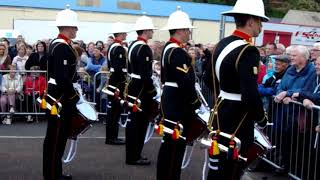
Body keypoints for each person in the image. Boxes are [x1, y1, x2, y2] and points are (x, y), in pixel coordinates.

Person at [203, 0, 269, 179]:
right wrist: (262, 119)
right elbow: (250, 93)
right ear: (251, 21)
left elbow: (208, 79)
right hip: (239, 118)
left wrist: (225, 93)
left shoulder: (221, 44)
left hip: (221, 111)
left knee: (217, 166)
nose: (261, 26)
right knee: (232, 168)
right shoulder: (249, 51)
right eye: (260, 21)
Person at [156, 7, 201, 180]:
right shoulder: (177, 51)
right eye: (188, 29)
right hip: (177, 103)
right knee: (175, 145)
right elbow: (185, 82)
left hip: (171, 99)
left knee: (170, 143)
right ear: (181, 30)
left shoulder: (169, 48)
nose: (189, 33)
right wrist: (194, 102)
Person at [43, 6, 80, 180]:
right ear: (67, 27)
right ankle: (52, 174)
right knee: (55, 138)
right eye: (74, 27)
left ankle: (55, 172)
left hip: (59, 94)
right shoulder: (61, 47)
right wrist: (73, 96)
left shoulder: (61, 45)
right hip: (60, 96)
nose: (76, 30)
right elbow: (62, 77)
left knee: (58, 137)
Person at [125, 14, 157, 165]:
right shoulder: (144, 48)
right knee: (139, 124)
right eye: (151, 30)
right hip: (141, 90)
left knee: (134, 122)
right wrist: (152, 92)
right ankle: (134, 156)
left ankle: (133, 154)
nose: (152, 32)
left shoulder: (132, 45)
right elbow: (145, 75)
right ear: (145, 30)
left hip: (133, 87)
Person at [105, 22, 128, 145]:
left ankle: (112, 136)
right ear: (120, 34)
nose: (126, 35)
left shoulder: (113, 46)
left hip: (114, 79)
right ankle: (111, 137)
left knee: (114, 110)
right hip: (117, 81)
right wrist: (124, 81)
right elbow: (119, 68)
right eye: (124, 33)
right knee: (115, 110)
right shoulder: (118, 48)